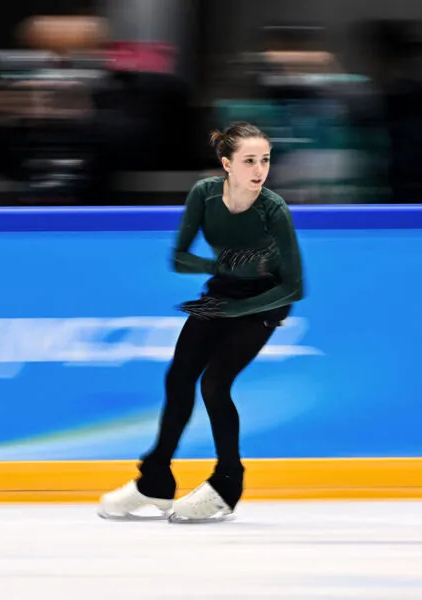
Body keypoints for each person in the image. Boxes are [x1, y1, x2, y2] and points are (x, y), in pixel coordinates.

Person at [99, 122, 305, 522]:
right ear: (227, 163)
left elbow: (293, 286)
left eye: (264, 160)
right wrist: (224, 266)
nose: (259, 169)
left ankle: (228, 483)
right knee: (178, 379)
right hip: (220, 294)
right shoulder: (205, 195)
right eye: (249, 161)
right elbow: (178, 258)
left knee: (214, 383)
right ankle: (154, 482)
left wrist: (239, 307)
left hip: (265, 303)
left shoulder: (273, 210)